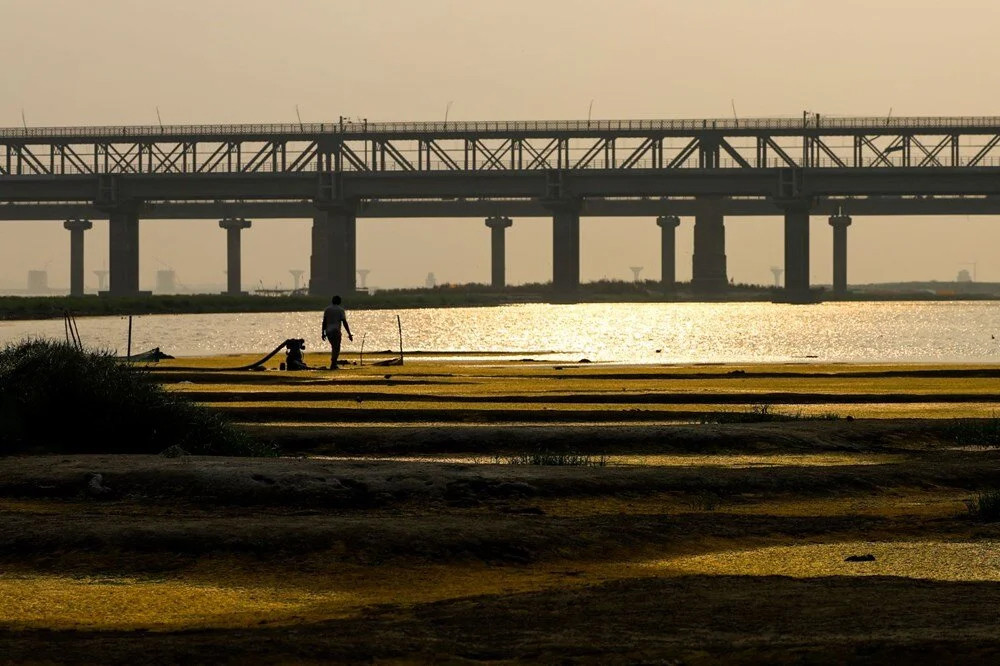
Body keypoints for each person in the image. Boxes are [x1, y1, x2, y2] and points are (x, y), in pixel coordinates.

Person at [321, 295, 353, 370]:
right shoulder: (340, 310)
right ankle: (333, 363)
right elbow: (344, 322)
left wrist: (323, 333)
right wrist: (349, 334)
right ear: (339, 302)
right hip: (336, 331)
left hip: (329, 331)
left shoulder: (327, 309)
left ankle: (333, 363)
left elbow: (324, 322)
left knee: (334, 347)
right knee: (336, 348)